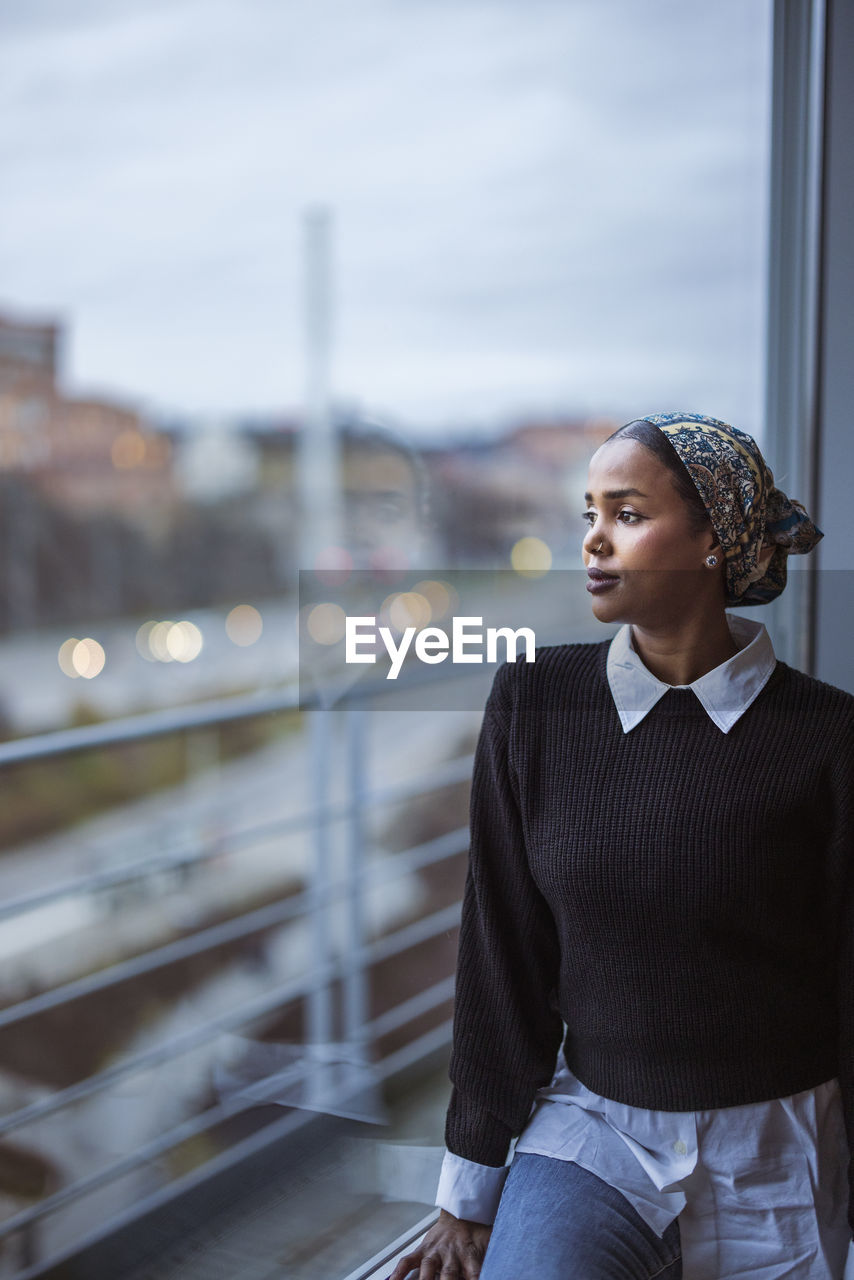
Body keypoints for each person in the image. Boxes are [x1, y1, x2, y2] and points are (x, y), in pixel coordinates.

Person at [388, 412, 854, 1280]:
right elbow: (500, 953)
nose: (595, 541)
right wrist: (468, 1188)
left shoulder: (827, 736)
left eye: (628, 514)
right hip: (597, 1134)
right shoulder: (532, 701)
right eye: (589, 515)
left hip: (778, 1148)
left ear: (714, 538)